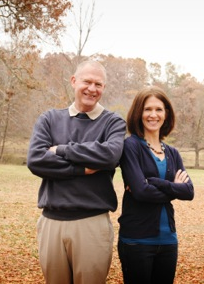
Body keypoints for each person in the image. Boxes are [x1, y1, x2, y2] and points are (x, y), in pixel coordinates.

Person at [27, 60, 126, 284]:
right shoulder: (49, 119)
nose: (92, 89)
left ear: (104, 88)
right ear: (74, 81)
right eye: (87, 82)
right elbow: (36, 160)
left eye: (98, 84)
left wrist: (61, 150)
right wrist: (82, 168)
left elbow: (110, 155)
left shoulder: (113, 123)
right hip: (51, 222)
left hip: (91, 223)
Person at [117, 85, 195, 284]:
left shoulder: (173, 152)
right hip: (137, 240)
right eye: (147, 109)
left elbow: (188, 191)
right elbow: (142, 193)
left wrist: (155, 182)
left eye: (158, 109)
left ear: (166, 114)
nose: (153, 115)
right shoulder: (131, 146)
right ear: (138, 113)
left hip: (168, 240)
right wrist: (172, 188)